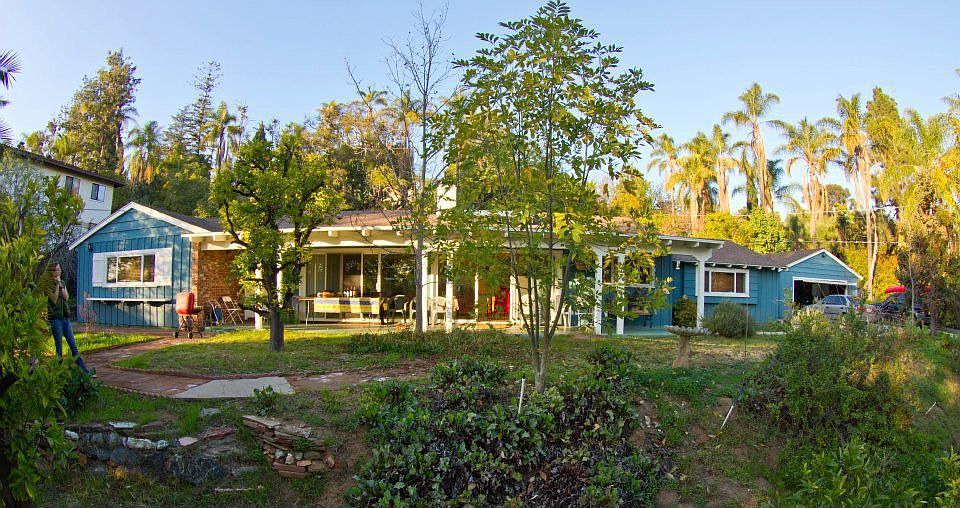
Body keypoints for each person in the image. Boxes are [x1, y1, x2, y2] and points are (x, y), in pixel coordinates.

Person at [48, 263, 93, 377]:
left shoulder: (62, 283)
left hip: (65, 318)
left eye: (60, 270)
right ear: (53, 272)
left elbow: (66, 297)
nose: (60, 272)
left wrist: (61, 285)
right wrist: (57, 285)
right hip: (55, 319)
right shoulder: (48, 285)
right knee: (59, 347)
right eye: (58, 270)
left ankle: (85, 372)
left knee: (73, 346)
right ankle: (58, 374)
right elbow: (53, 299)